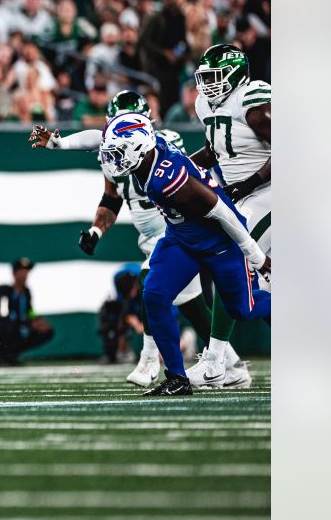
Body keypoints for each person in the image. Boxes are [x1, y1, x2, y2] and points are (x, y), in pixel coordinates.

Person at [29, 91, 220, 387]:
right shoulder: (112, 153)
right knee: (192, 305)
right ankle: (228, 362)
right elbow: (111, 197)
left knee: (150, 284)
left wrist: (62, 143)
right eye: (118, 125)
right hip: (152, 236)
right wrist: (96, 230)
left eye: (130, 125)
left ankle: (148, 360)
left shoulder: (166, 143)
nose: (122, 133)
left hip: (177, 230)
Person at [98, 112, 270, 396]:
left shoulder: (167, 176)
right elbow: (98, 138)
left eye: (118, 152)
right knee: (153, 293)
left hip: (220, 241)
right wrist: (60, 144)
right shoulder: (147, 155)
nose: (112, 160)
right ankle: (177, 377)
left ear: (138, 147)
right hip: (182, 237)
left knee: (242, 309)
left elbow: (221, 210)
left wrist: (255, 255)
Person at [187, 43, 272, 387]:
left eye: (215, 76)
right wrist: (183, 168)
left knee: (230, 255)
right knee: (266, 282)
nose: (209, 83)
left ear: (236, 73)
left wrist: (249, 183)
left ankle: (216, 362)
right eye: (204, 77)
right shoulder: (205, 105)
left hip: (270, 192)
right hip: (247, 197)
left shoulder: (252, 100)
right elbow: (217, 149)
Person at [0, 258, 56, 365]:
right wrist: (28, 323)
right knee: (8, 326)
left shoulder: (27, 292)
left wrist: (37, 321)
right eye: (21, 271)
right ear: (14, 273)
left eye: (26, 271)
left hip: (16, 328)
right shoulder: (4, 290)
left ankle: (11, 354)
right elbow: (3, 315)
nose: (25, 274)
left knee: (46, 331)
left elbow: (29, 312)